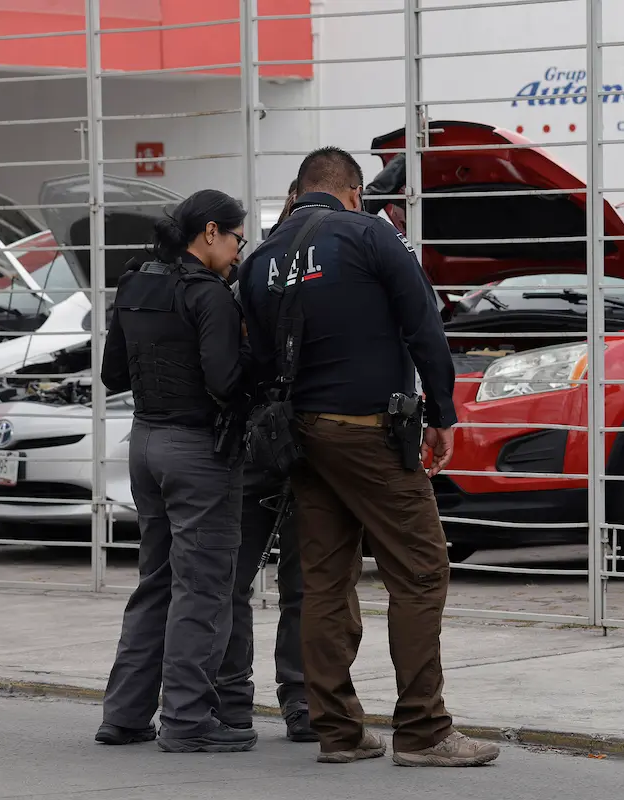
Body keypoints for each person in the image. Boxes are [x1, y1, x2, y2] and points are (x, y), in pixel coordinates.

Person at [238, 146, 499, 767]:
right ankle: (425, 731)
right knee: (421, 568)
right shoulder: (370, 236)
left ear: (300, 191)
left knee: (326, 581)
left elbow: (253, 358)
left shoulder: (262, 258)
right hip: (369, 432)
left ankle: (339, 731)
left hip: (301, 439)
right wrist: (442, 413)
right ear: (355, 191)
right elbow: (425, 328)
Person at [96, 189, 257, 754]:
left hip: (144, 443)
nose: (239, 251)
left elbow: (112, 371)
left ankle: (124, 715)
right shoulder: (209, 294)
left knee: (156, 581)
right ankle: (188, 720)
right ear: (210, 232)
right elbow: (223, 380)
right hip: (197, 451)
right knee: (203, 588)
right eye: (237, 238)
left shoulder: (136, 281)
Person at [215, 179, 315, 743]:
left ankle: (247, 699)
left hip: (276, 435)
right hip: (274, 435)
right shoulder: (256, 269)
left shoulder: (253, 266)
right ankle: (280, 699)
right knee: (272, 575)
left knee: (260, 574)